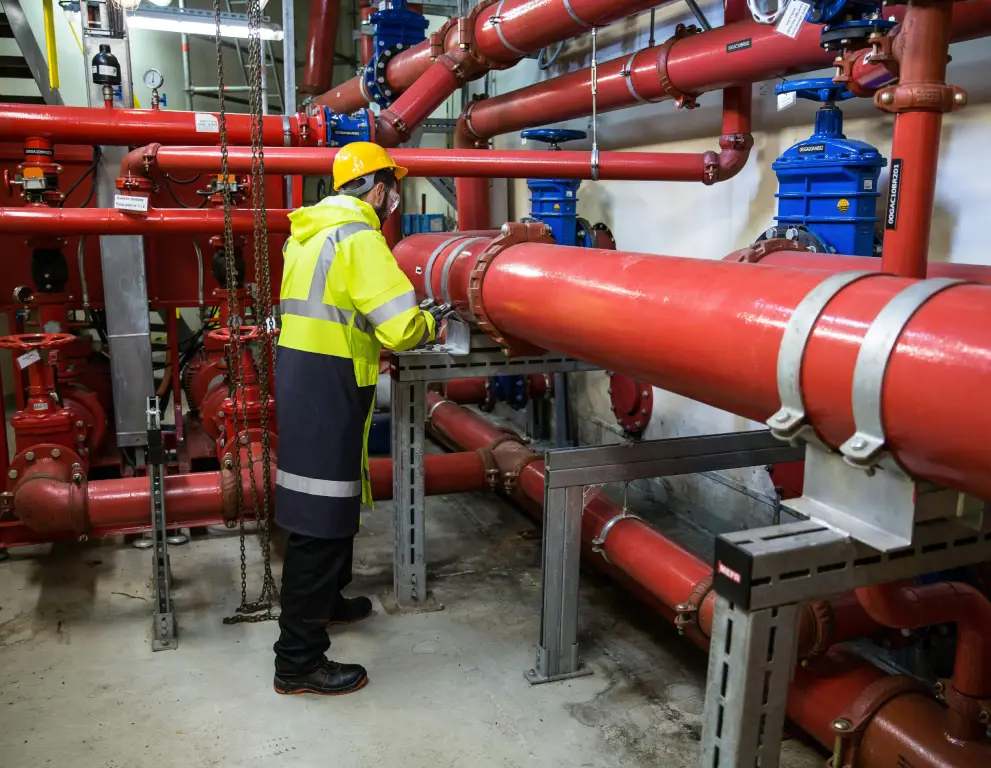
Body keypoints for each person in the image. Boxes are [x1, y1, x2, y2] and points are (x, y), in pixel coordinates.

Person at [272, 142, 446, 695]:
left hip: (305, 376)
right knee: (317, 524)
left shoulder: (310, 233)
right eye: (392, 187)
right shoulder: (360, 238)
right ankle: (297, 661)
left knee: (331, 503)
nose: (393, 198)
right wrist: (431, 327)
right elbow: (398, 327)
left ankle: (328, 603)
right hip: (330, 384)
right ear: (377, 189)